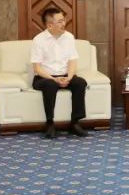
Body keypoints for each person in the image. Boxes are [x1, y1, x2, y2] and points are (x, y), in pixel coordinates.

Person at [31, 8, 89, 139]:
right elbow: (37, 68)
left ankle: (75, 122)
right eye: (60, 21)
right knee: (50, 85)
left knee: (80, 83)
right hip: (44, 77)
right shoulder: (38, 40)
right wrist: (54, 79)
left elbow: (72, 61)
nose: (64, 24)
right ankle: (50, 123)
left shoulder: (69, 37)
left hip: (65, 75)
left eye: (64, 20)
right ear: (49, 25)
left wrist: (69, 77)